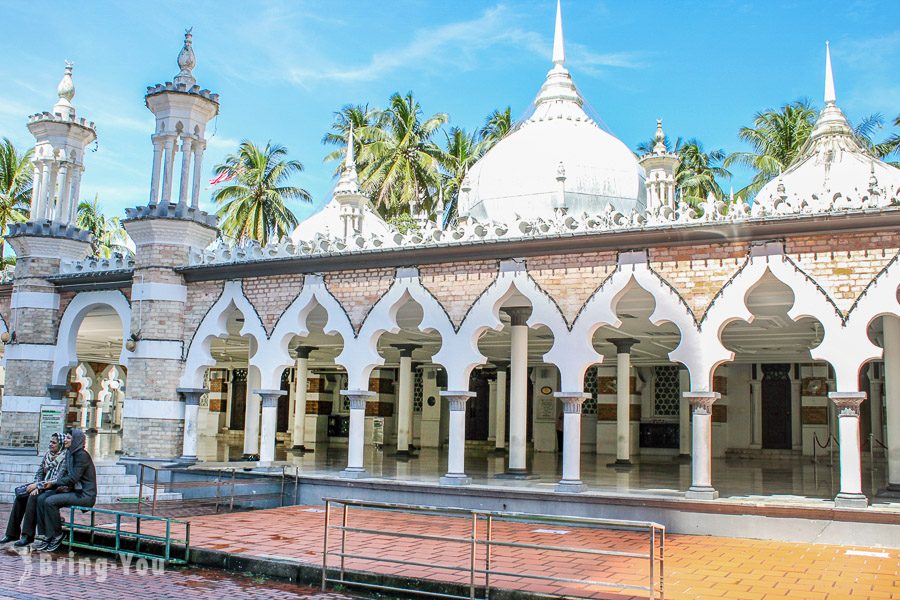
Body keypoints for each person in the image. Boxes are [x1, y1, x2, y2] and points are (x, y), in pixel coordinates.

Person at [33, 429, 96, 552]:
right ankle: (44, 535)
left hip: (85, 495)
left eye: (68, 438)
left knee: (50, 501)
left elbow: (73, 477)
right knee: (41, 499)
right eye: (66, 437)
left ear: (76, 440)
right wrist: (48, 483)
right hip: (73, 491)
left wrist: (53, 483)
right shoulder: (69, 453)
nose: (65, 440)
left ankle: (57, 535)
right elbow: (64, 474)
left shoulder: (82, 455)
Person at [0, 433, 66, 547]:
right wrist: (36, 484)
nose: (51, 444)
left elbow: (57, 479)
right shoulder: (48, 455)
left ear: (60, 445)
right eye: (50, 442)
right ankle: (11, 533)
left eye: (54, 443)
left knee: (33, 497)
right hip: (42, 485)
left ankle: (27, 535)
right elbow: (39, 473)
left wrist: (38, 487)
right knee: (21, 497)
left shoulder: (64, 458)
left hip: (55, 488)